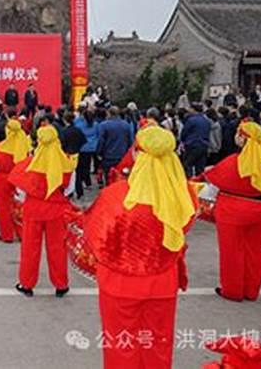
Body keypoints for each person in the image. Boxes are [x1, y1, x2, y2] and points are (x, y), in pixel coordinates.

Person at [84, 126, 197, 369]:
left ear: (138, 155)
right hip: (163, 279)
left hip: (120, 283)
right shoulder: (182, 194)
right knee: (157, 343)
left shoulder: (115, 196)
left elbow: (96, 237)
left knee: (121, 345)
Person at [199, 121, 261, 302]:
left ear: (243, 138)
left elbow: (211, 190)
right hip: (260, 210)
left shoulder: (231, 162)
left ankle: (233, 291)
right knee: (256, 252)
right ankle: (251, 291)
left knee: (232, 252)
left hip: (231, 211)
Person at [9, 125, 75, 297]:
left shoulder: (29, 164)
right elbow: (69, 191)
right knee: (58, 248)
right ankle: (61, 285)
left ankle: (27, 284)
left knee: (30, 248)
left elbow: (21, 191)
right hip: (57, 210)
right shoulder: (66, 164)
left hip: (33, 209)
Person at [0, 119, 31, 243]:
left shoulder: (0, 146)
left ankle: (7, 234)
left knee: (3, 207)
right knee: (18, 206)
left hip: (3, 178)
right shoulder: (24, 144)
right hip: (18, 178)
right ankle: (22, 233)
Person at [96, 106, 132, 186]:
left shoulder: (103, 125)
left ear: (109, 113)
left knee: (109, 177)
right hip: (122, 155)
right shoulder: (126, 125)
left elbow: (101, 141)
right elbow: (130, 141)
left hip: (108, 156)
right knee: (122, 177)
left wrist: (99, 152)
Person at [181, 103, 211, 177]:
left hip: (192, 144)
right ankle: (199, 182)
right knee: (200, 167)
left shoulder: (191, 120)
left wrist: (183, 141)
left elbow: (184, 132)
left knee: (188, 164)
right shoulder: (206, 120)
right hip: (204, 145)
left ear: (193, 109)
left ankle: (189, 180)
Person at [74, 109, 98, 199]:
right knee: (87, 165)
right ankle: (88, 182)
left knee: (81, 167)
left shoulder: (79, 125)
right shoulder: (96, 125)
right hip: (92, 147)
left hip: (82, 148)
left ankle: (84, 181)